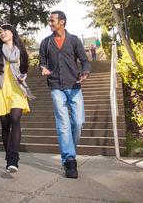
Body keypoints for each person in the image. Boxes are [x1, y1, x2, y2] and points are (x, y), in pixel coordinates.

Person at [39, 10, 90, 179]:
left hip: (74, 86)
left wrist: (85, 72)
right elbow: (42, 61)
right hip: (56, 86)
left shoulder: (74, 40)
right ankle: (69, 160)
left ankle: (70, 150)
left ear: (62, 22)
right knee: (63, 124)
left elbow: (84, 60)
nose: (50, 23)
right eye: (49, 20)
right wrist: (43, 68)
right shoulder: (46, 42)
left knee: (78, 122)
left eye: (52, 20)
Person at [0, 24, 35, 173]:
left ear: (12, 33)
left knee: (15, 119)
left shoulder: (21, 51)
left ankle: (14, 159)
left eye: (5, 30)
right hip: (1, 89)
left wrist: (24, 75)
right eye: (0, 31)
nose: (2, 33)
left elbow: (25, 68)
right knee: (5, 125)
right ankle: (8, 156)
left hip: (17, 89)